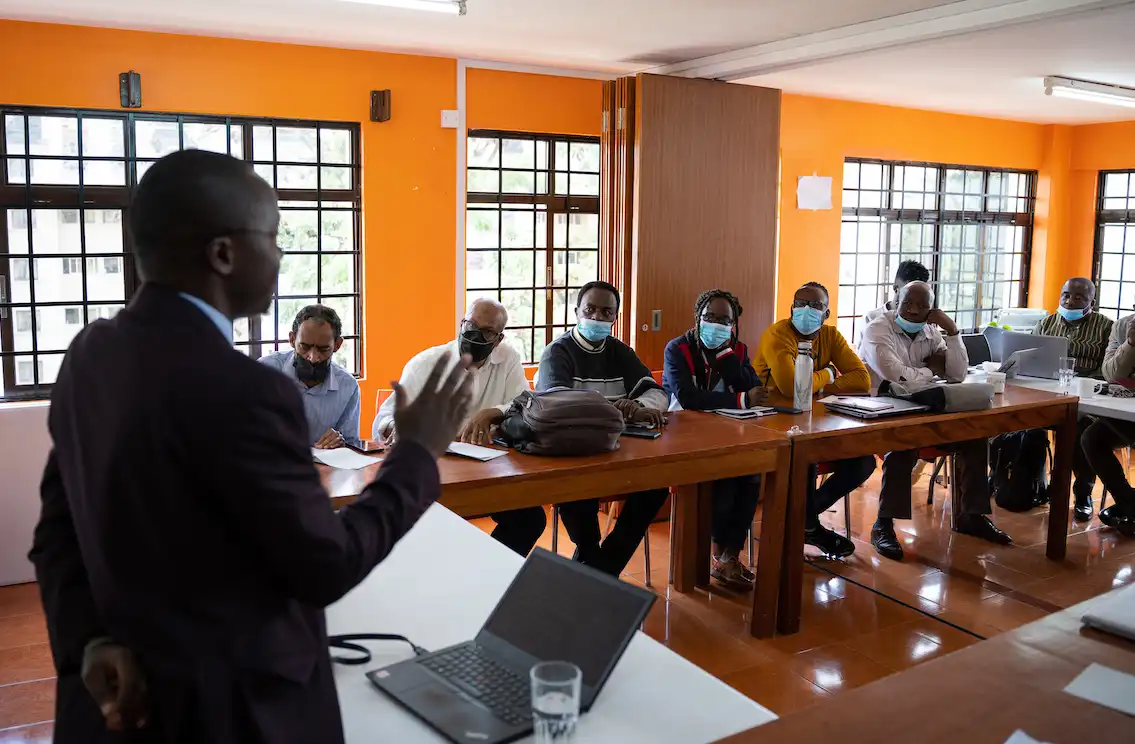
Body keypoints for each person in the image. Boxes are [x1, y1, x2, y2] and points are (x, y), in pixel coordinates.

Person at [27, 149, 474, 744]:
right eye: (273, 234)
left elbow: (57, 533)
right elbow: (325, 566)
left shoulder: (90, 355)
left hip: (117, 700)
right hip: (231, 711)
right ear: (223, 253)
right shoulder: (247, 390)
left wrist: (88, 641)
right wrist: (416, 453)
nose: (281, 253)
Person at [375, 298, 548, 557]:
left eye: (487, 331)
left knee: (530, 520)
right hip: (435, 472)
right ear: (461, 323)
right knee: (430, 529)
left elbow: (524, 401)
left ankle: (488, 577)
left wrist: (492, 413)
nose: (475, 335)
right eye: (471, 325)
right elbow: (385, 417)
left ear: (498, 339)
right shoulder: (427, 363)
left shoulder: (508, 358)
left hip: (488, 470)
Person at [859, 280, 1011, 560]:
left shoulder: (931, 331)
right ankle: (883, 525)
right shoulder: (878, 329)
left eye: (922, 305)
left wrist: (952, 331)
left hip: (926, 404)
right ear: (896, 300)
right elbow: (896, 376)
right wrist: (930, 370)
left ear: (931, 310)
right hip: (881, 406)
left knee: (974, 434)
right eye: (908, 303)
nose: (914, 311)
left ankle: (972, 515)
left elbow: (956, 374)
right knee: (905, 441)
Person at [536, 281, 668, 577]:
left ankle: (596, 568)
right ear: (576, 312)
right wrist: (616, 407)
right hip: (572, 456)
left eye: (606, 312)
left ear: (615, 319)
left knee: (656, 486)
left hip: (619, 454)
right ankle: (596, 566)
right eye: (590, 309)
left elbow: (657, 393)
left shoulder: (620, 352)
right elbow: (557, 405)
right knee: (579, 494)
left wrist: (642, 405)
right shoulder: (557, 352)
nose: (597, 317)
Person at [753, 282, 876, 558]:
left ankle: (804, 520)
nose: (806, 310)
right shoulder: (777, 334)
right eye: (801, 303)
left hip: (818, 423)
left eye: (816, 305)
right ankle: (807, 524)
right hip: (773, 424)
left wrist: (815, 384)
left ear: (827, 313)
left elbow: (861, 379)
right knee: (804, 457)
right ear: (791, 308)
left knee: (864, 461)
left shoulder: (831, 336)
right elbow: (789, 386)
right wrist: (831, 374)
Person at [662, 289, 765, 586]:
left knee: (751, 474)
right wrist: (741, 401)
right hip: (684, 435)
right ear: (697, 318)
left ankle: (728, 555)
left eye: (724, 320)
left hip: (727, 434)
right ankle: (720, 556)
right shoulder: (678, 349)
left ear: (733, 324)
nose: (716, 324)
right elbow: (688, 397)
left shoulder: (737, 350)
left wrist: (729, 362)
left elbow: (754, 388)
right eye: (710, 317)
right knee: (724, 477)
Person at [1030, 278, 1112, 520]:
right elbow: (1030, 359)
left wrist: (1083, 378)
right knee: (1020, 423)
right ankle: (1030, 485)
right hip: (1047, 392)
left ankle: (1082, 492)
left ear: (1091, 302)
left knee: (1081, 428)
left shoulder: (1106, 327)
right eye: (1066, 295)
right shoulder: (1045, 324)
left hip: (1087, 395)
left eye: (1079, 297)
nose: (1070, 301)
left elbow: (1110, 368)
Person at [259, 305, 361, 449]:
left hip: (322, 469)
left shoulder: (348, 387)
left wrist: (340, 443)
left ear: (337, 345)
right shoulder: (265, 372)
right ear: (292, 339)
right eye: (304, 347)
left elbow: (352, 445)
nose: (313, 358)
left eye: (323, 349)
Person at [1080, 311, 1135, 537]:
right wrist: (1131, 343)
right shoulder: (1122, 327)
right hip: (1127, 409)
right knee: (1091, 437)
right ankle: (1129, 501)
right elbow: (1111, 374)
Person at [863, 259, 931, 328]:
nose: (914, 299)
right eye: (908, 292)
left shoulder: (921, 319)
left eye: (919, 294)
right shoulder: (872, 318)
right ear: (896, 288)